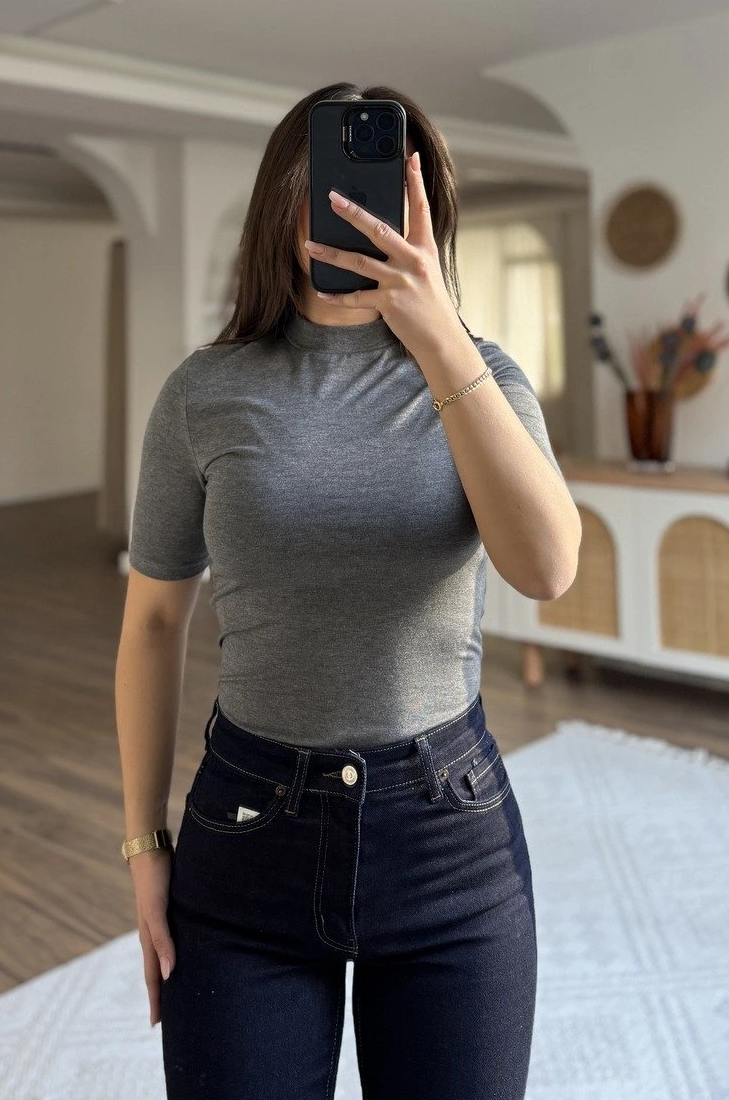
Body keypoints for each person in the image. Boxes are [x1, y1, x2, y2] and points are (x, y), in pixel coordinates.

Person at [114, 80, 582, 1100]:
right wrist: (145, 844)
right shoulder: (204, 391)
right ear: (285, 206)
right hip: (247, 833)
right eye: (335, 192)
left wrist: (439, 336)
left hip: (448, 831)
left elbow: (548, 569)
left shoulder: (483, 378)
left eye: (390, 198)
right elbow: (151, 623)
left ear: (430, 218)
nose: (360, 217)